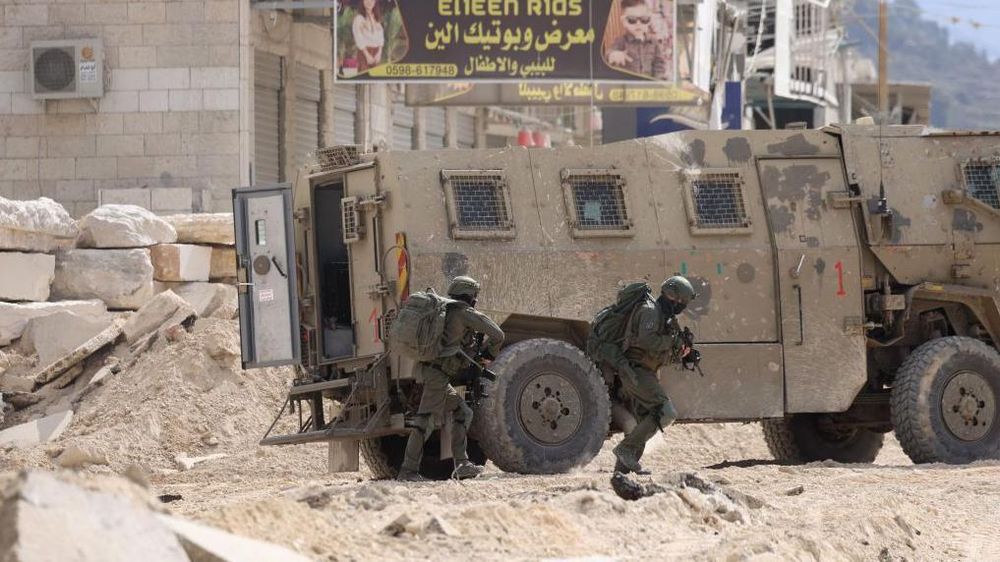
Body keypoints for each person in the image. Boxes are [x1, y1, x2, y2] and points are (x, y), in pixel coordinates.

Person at [397, 276, 505, 482]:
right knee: (424, 422)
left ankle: (462, 464)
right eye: (475, 296)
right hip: (437, 375)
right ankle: (408, 470)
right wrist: (489, 355)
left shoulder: (442, 310)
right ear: (470, 296)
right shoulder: (465, 313)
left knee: (462, 413)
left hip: (426, 370)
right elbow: (498, 334)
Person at [607, 276, 695, 474]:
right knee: (666, 412)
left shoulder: (663, 317)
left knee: (645, 418)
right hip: (635, 371)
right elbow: (647, 342)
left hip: (643, 372)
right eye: (681, 302)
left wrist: (681, 354)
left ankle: (623, 467)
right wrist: (673, 342)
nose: (682, 306)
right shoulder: (650, 311)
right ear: (675, 298)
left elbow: (657, 354)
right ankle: (626, 450)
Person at [606, 0, 668, 79]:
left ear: (649, 21)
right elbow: (609, 52)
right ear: (624, 22)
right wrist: (613, 55)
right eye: (632, 20)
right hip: (629, 85)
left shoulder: (653, 42)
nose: (638, 24)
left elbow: (659, 63)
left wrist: (658, 79)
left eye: (644, 19)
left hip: (648, 86)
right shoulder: (621, 41)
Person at [352, 0, 384, 73]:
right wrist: (367, 55)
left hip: (377, 54)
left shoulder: (377, 19)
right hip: (365, 53)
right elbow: (358, 37)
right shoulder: (359, 18)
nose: (369, 2)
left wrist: (379, 53)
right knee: (364, 77)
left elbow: (380, 37)